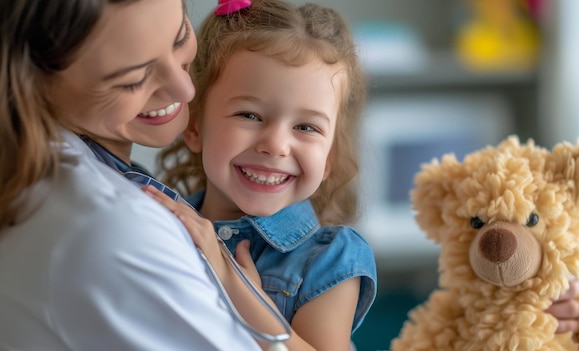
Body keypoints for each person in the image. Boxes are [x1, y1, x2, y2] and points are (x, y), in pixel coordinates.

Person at [0, 0, 291, 350]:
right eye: (133, 80)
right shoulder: (112, 229)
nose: (186, 89)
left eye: (181, 36)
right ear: (34, 83)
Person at [152, 0, 377, 350]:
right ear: (195, 126)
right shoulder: (160, 224)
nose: (276, 145)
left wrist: (242, 293)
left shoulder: (331, 257)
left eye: (306, 126)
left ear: (329, 155)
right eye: (250, 115)